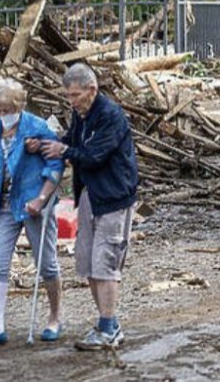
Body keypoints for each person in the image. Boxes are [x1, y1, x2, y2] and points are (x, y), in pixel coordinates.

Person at [39, 64, 139, 351]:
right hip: (90, 196)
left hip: (113, 197)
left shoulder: (110, 116)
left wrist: (65, 151)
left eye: (76, 95)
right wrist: (49, 144)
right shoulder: (80, 114)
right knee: (88, 263)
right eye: (68, 96)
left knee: (105, 262)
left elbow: (94, 156)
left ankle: (108, 327)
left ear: (92, 90)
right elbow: (73, 140)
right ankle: (108, 323)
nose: (72, 101)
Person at [0, 80, 65, 346]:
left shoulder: (38, 128)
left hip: (33, 203)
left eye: (7, 108)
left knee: (46, 262)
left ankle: (54, 318)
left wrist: (42, 198)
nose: (2, 113)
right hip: (3, 205)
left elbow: (56, 165)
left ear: (19, 105)